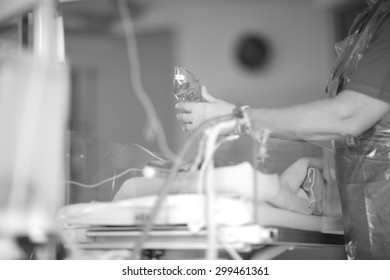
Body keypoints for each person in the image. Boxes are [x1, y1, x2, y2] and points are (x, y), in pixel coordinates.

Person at [175, 0, 390, 259]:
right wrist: (234, 117)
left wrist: (236, 118)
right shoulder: (370, 23)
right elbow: (324, 126)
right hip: (369, 229)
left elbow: (347, 116)